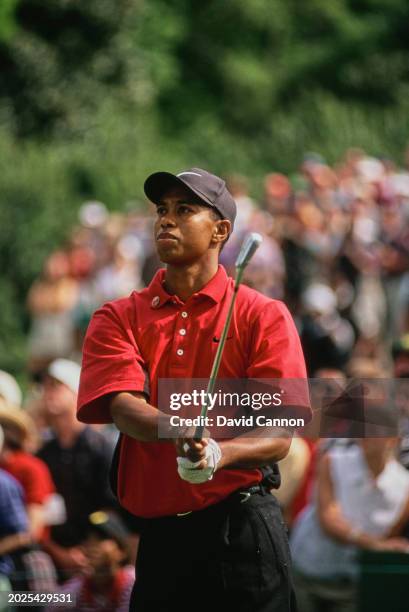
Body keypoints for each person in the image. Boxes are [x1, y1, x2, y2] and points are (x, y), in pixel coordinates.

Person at [77, 167, 311, 611]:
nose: (166, 220)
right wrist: (179, 429)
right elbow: (124, 409)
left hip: (244, 531)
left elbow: (279, 434)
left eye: (184, 210)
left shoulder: (264, 315)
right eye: (161, 210)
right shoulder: (118, 316)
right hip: (163, 539)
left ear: (221, 230)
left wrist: (221, 453)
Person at [290, 430, 409, 612]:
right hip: (307, 572)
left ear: (393, 438)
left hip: (350, 583)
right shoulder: (332, 460)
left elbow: (389, 535)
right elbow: (329, 520)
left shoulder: (404, 485)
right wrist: (375, 544)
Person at [37, 359, 116, 578]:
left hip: (101, 560)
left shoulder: (102, 447)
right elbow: (39, 511)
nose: (48, 391)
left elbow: (112, 508)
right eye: (46, 385)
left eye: (56, 384)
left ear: (76, 392)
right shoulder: (43, 453)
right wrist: (59, 552)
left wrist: (96, 547)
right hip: (55, 561)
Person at [51, 511, 134, 612]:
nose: (91, 545)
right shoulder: (80, 587)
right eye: (86, 538)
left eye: (101, 538)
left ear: (122, 550)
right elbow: (39, 602)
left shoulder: (134, 583)